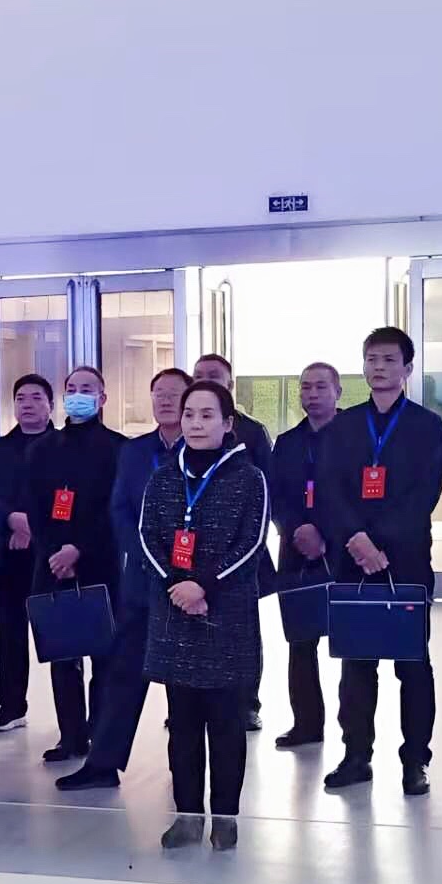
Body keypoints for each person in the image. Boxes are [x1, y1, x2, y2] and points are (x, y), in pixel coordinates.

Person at [317, 327, 442, 797]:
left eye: (389, 359)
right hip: (353, 560)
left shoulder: (427, 426)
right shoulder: (344, 426)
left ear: (407, 368)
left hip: (406, 559)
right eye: (372, 358)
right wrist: (356, 539)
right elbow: (329, 488)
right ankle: (356, 756)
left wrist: (381, 543)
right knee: (356, 665)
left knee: (413, 664)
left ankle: (415, 761)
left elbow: (425, 493)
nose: (379, 367)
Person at [138, 380, 268, 850]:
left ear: (228, 423)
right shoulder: (163, 478)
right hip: (177, 616)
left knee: (227, 726)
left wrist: (203, 586)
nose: (195, 423)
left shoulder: (249, 478)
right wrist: (179, 588)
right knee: (183, 726)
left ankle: (226, 818)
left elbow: (251, 545)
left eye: (207, 415)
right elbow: (148, 538)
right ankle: (188, 816)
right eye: (189, 414)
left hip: (225, 618)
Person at [55, 367, 192, 792]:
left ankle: (186, 772)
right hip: (141, 582)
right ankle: (102, 764)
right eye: (158, 393)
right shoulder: (134, 452)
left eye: (174, 393)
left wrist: (179, 566)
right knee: (123, 675)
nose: (165, 401)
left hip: (190, 586)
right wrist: (148, 554)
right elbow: (120, 510)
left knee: (184, 686)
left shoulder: (205, 450)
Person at [23, 366, 126, 764]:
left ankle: (100, 734)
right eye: (71, 388)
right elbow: (36, 508)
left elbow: (115, 510)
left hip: (99, 561)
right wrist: (55, 551)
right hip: (51, 564)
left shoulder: (118, 449)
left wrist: (78, 548)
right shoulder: (42, 449)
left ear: (102, 398)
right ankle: (71, 736)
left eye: (87, 388)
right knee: (63, 655)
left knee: (104, 656)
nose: (78, 394)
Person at [192, 354, 274, 731]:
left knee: (243, 633)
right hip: (193, 555)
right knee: (195, 628)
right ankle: (196, 699)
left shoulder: (252, 431)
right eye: (199, 376)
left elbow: (267, 491)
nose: (206, 380)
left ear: (230, 384)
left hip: (240, 554)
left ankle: (246, 703)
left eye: (214, 376)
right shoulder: (189, 428)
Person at [269, 362, 343, 748]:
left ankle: (355, 737)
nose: (311, 395)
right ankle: (306, 724)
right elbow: (275, 495)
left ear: (338, 392)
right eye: (305, 388)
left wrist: (324, 533)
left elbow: (355, 494)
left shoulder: (353, 435)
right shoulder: (287, 442)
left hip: (343, 549)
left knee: (352, 642)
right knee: (300, 640)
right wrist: (297, 528)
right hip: (295, 549)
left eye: (320, 387)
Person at [0, 374, 55, 733]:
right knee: (10, 632)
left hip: (54, 555)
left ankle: (73, 720)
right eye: (21, 398)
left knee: (61, 635)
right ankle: (11, 706)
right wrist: (13, 520)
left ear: (50, 405)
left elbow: (68, 495)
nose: (27, 404)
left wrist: (32, 526)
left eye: (36, 397)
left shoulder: (62, 445)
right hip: (10, 551)